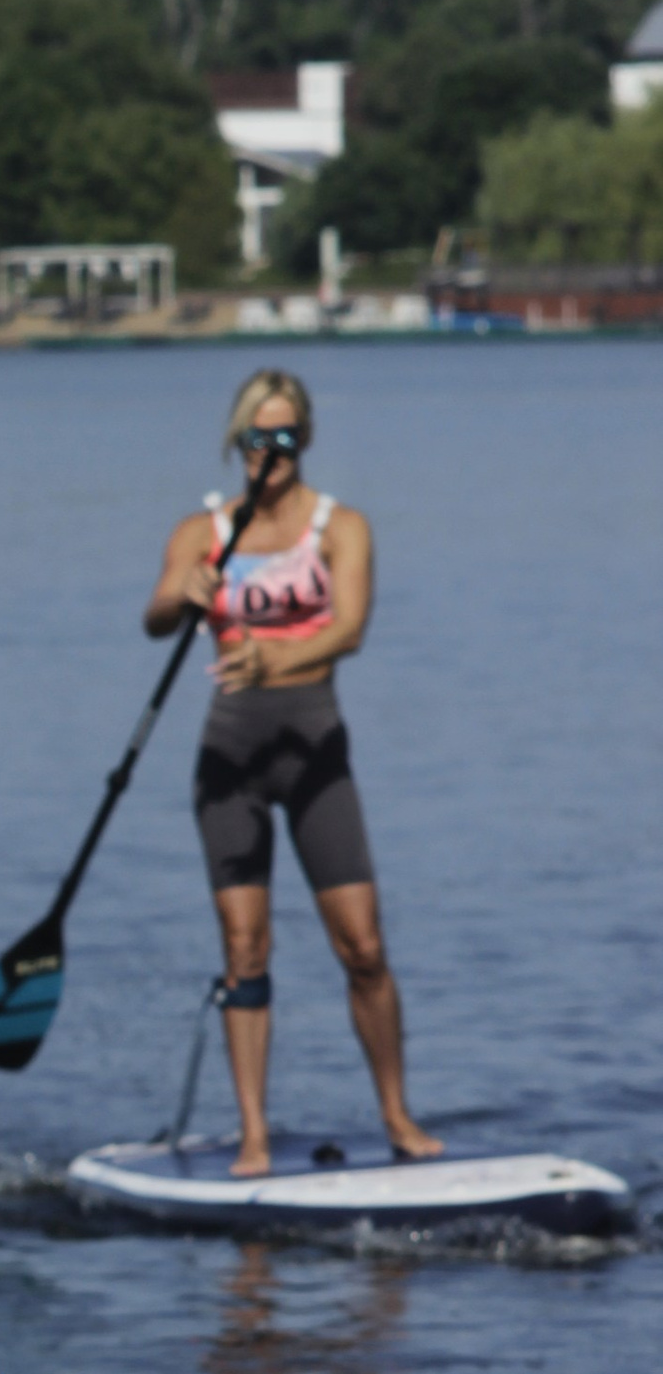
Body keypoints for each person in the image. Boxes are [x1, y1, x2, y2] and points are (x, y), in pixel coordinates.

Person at [144, 370, 437, 1176]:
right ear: (236, 445)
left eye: (281, 439)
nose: (267, 454)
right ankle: (254, 1137)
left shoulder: (341, 528)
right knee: (246, 950)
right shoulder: (205, 530)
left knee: (364, 946)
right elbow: (156, 618)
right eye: (253, 439)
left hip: (316, 754)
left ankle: (399, 1118)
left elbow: (348, 629)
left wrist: (271, 660)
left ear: (302, 441)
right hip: (228, 762)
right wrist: (185, 590)